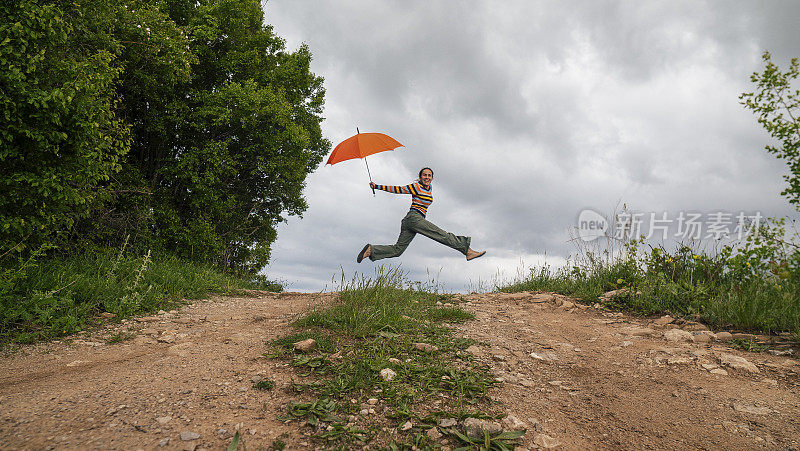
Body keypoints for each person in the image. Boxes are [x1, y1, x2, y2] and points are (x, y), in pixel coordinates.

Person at [357, 167, 486, 263]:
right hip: (414, 218)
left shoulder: (429, 189)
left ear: (432, 178)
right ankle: (467, 250)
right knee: (442, 235)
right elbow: (398, 189)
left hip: (410, 222)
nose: (427, 177)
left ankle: (371, 250)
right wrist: (377, 186)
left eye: (429, 175)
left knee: (398, 250)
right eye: (424, 175)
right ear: (420, 176)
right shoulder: (416, 186)